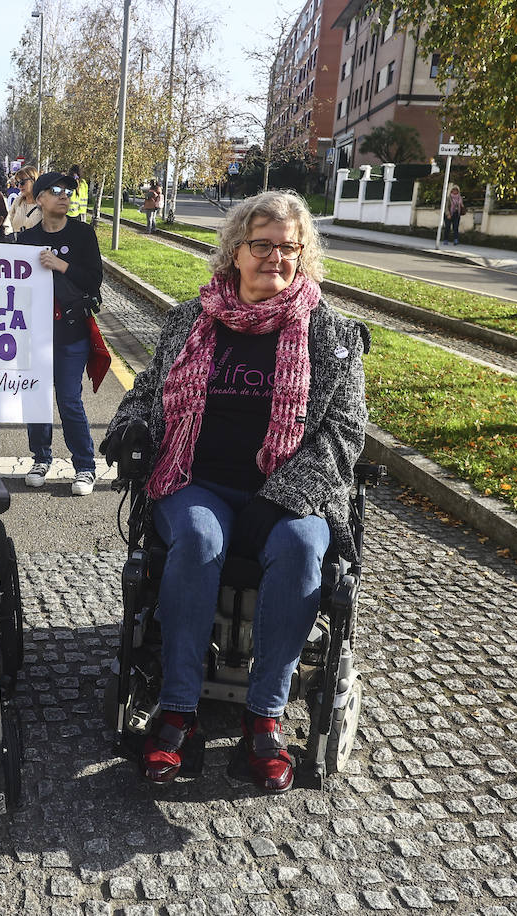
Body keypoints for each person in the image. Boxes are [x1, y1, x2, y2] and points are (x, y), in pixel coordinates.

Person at [101, 190, 368, 792]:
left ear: (303, 256)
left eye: (287, 247)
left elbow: (345, 430)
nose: (274, 257)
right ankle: (178, 711)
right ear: (236, 251)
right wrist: (132, 432)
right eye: (261, 245)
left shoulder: (329, 332)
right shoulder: (192, 320)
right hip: (195, 480)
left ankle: (265, 717)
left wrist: (282, 496)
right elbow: (143, 395)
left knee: (302, 548)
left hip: (291, 491)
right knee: (196, 540)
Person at [15, 172, 101, 497]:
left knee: (68, 398)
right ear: (38, 199)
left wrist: (61, 265)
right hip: (34, 333)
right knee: (35, 396)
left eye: (68, 191)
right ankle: (41, 458)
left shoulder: (83, 234)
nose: (64, 196)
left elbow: (94, 280)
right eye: (55, 190)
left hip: (71, 329)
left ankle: (85, 466)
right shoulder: (25, 240)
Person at [8, 166, 42, 234]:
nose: (19, 186)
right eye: (17, 183)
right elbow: (9, 223)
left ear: (33, 179)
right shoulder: (17, 201)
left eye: (22, 182)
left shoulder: (44, 203)